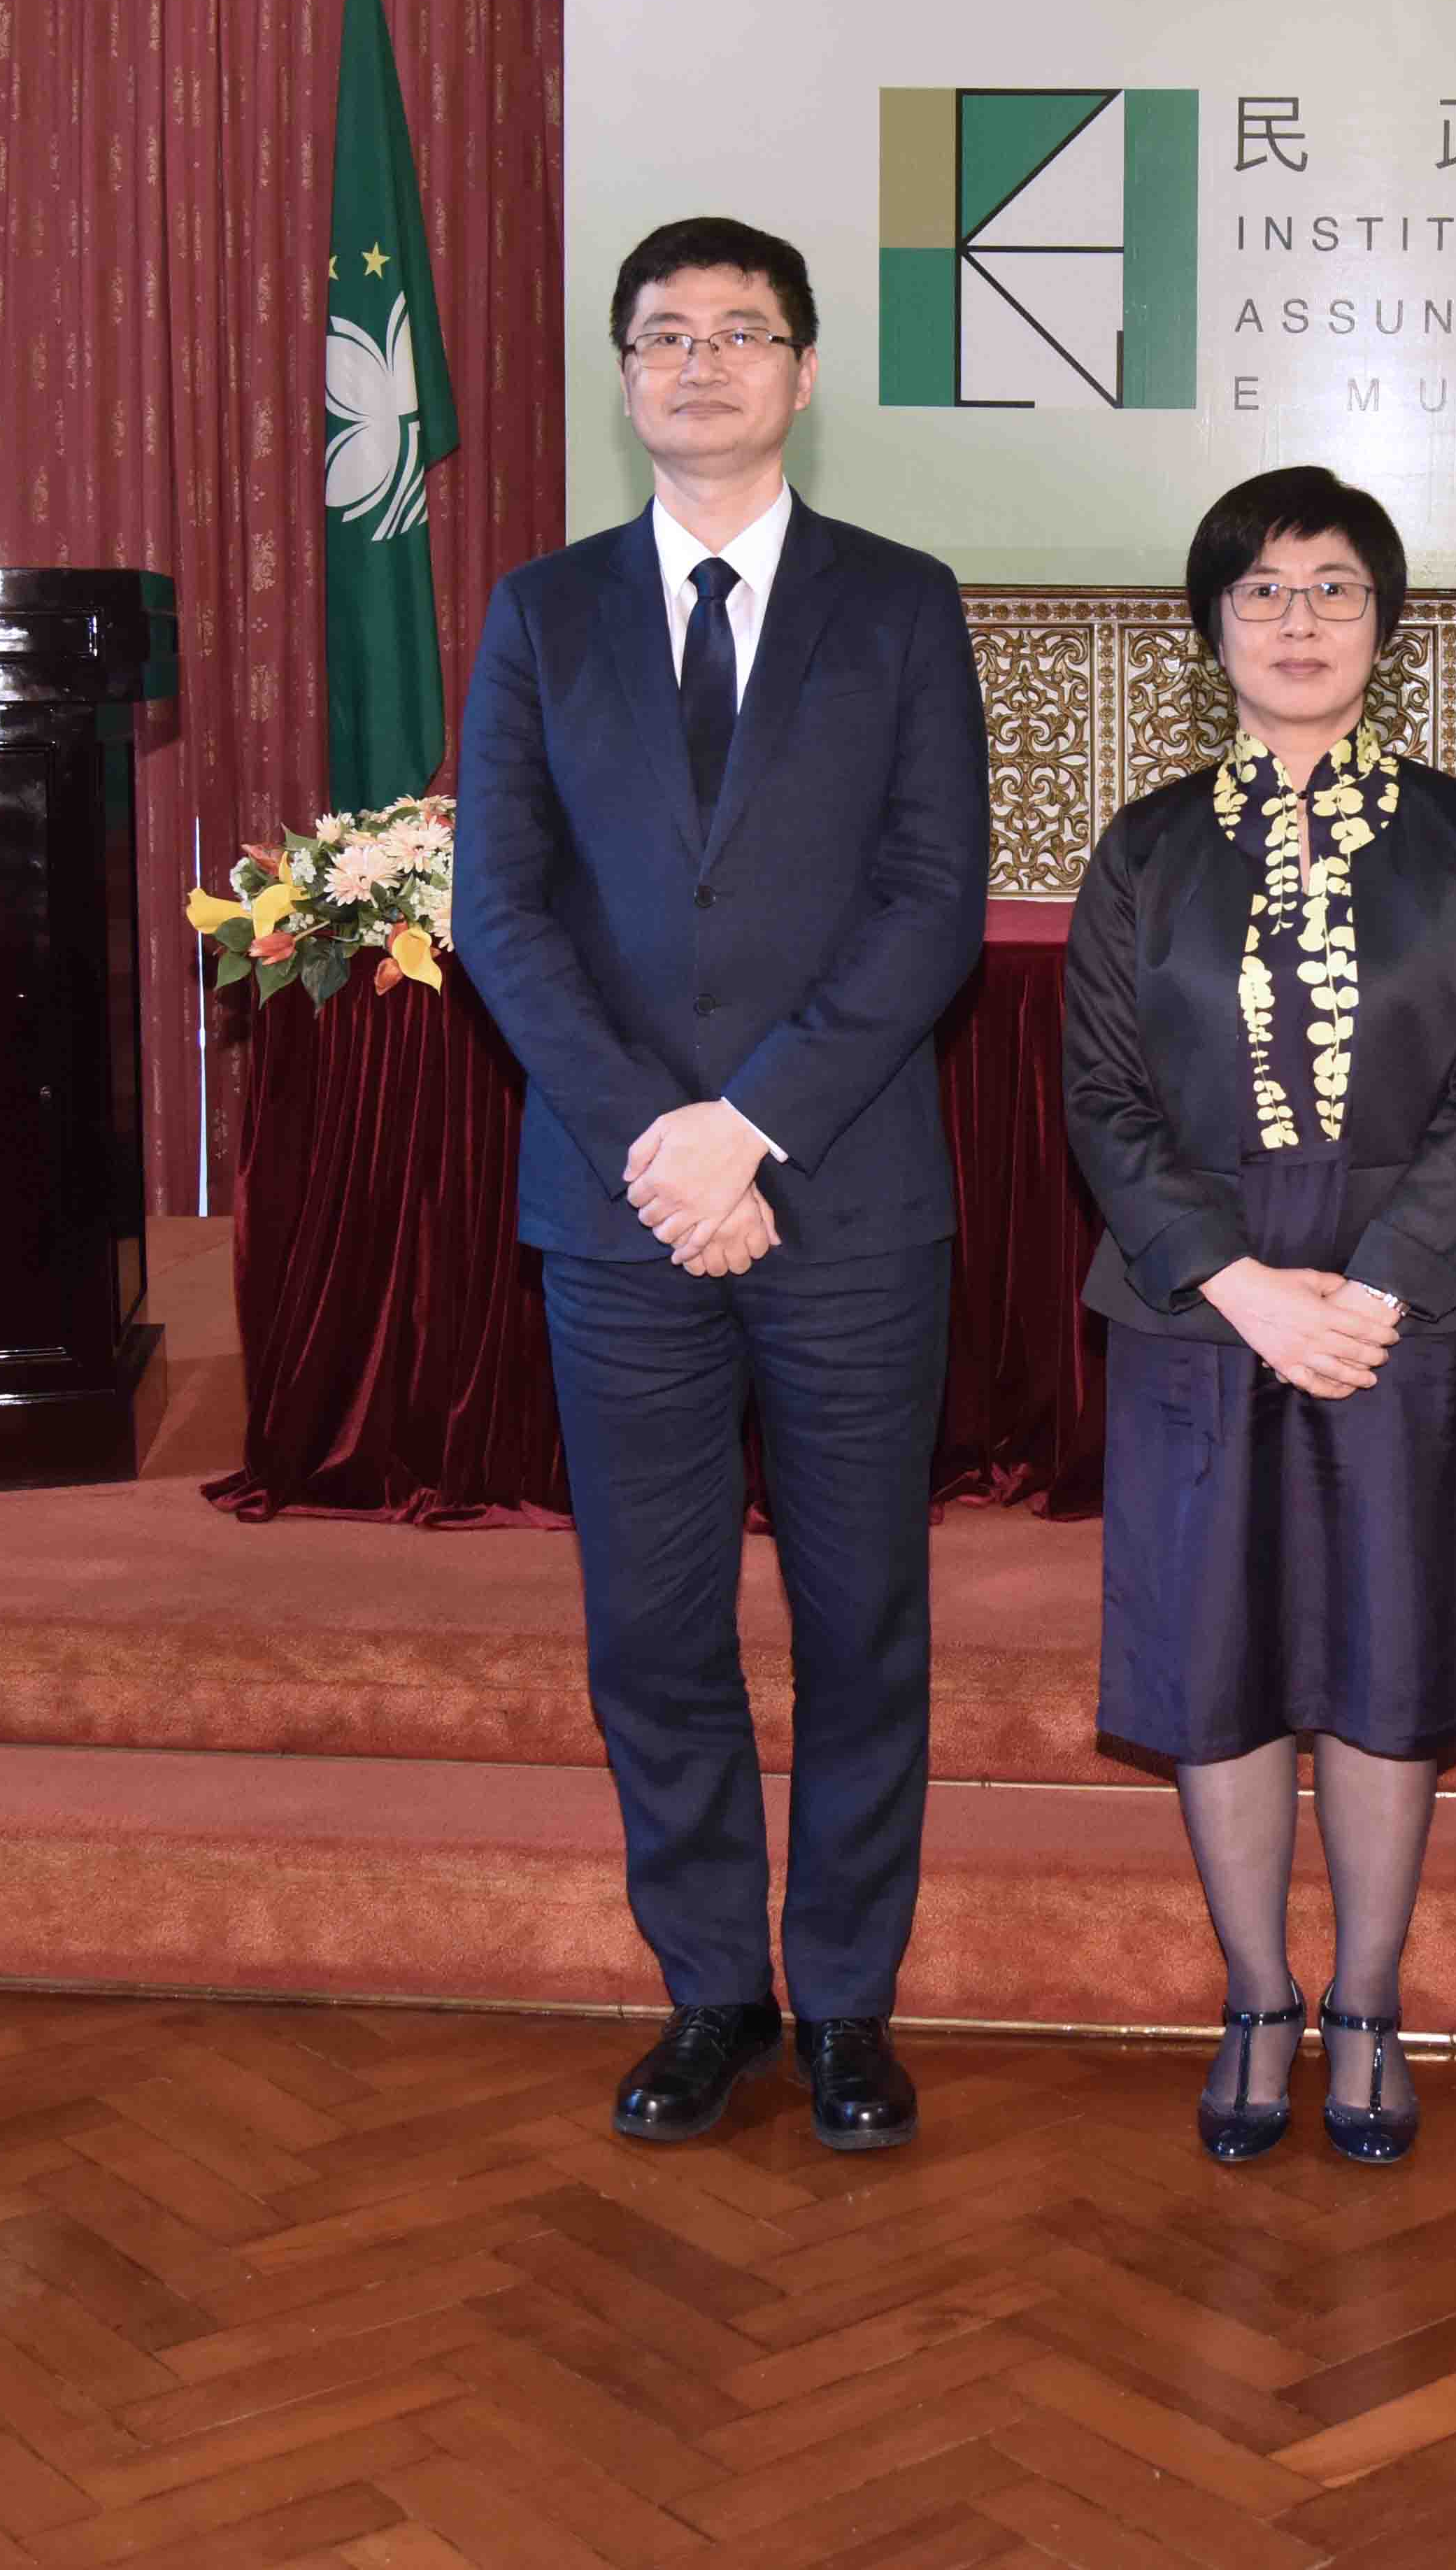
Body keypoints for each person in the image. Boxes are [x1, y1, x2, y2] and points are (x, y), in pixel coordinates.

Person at [451, 217, 990, 2152]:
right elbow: (503, 911)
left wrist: (750, 1124)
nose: (701, 362)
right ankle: (710, 1993)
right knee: (655, 1627)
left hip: (844, 1200)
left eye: (741, 333)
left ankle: (844, 2002)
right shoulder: (543, 612)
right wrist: (661, 1141)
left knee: (861, 1625)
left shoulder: (901, 605)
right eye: (664, 334)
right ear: (623, 379)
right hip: (620, 1215)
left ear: (805, 373)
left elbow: (931, 900)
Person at [1062, 467, 1456, 2165]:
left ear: (1383, 624)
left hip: (1401, 1310)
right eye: (1260, 590)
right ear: (1211, 627)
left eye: (1333, 588)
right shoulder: (1142, 849)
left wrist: (1377, 1284)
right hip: (1200, 1308)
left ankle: (1368, 2005)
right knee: (1220, 1657)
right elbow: (1103, 1095)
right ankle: (1258, 1997)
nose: (1297, 620)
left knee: (1384, 1657)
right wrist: (1239, 1285)